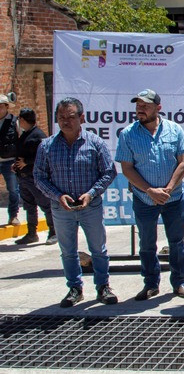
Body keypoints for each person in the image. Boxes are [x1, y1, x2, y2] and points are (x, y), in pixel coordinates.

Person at [33, 97, 117, 307]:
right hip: (61, 208)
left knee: (98, 249)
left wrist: (91, 193)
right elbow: (39, 177)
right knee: (68, 251)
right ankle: (74, 288)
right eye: (61, 117)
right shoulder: (46, 146)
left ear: (81, 117)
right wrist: (57, 195)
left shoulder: (95, 143)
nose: (65, 121)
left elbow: (108, 172)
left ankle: (103, 287)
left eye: (70, 117)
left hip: (91, 206)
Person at [116, 89, 184, 301]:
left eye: (146, 105)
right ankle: (151, 284)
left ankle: (180, 282)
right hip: (144, 199)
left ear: (158, 108)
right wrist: (150, 190)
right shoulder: (128, 134)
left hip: (173, 198)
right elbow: (127, 169)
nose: (140, 109)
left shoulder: (174, 130)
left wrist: (168, 188)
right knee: (147, 244)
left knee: (177, 242)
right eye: (138, 105)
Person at [13, 108, 56, 245]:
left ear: (24, 120)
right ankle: (32, 233)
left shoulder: (38, 136)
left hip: (34, 177)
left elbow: (45, 156)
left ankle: (53, 232)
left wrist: (27, 162)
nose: (19, 122)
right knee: (29, 206)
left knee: (45, 205)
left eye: (20, 119)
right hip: (23, 177)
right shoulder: (25, 134)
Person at [0, 94, 20, 226]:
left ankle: (13, 215)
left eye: (0, 107)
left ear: (7, 107)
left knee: (13, 189)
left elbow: (21, 140)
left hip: (9, 161)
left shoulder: (15, 122)